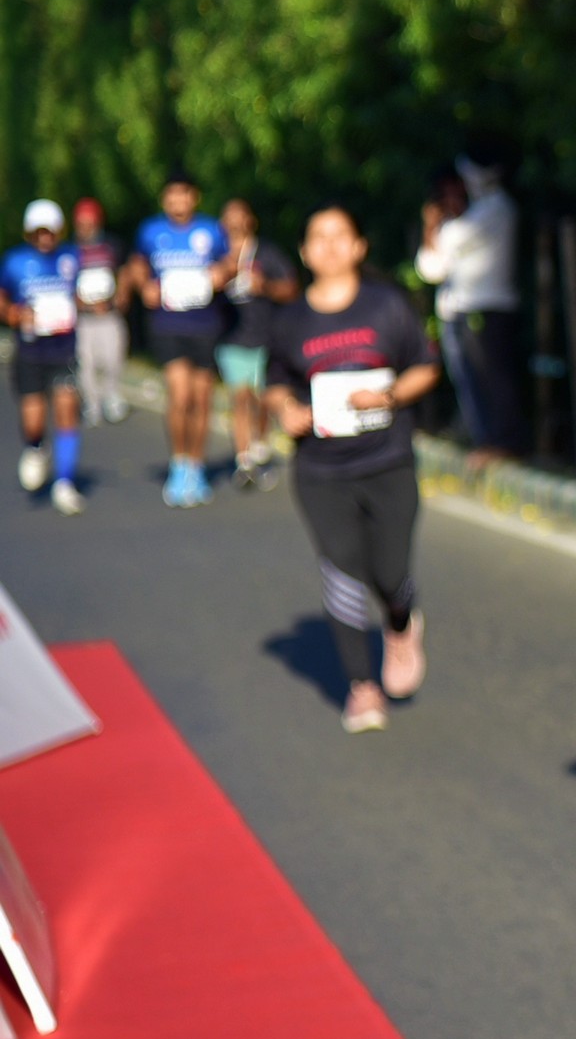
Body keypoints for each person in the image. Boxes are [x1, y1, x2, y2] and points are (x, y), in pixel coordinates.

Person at [265, 204, 440, 734]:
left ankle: (401, 624)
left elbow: (426, 367)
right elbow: (275, 383)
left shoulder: (387, 306)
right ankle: (362, 686)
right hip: (322, 471)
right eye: (318, 236)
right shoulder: (290, 320)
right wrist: (286, 410)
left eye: (340, 235)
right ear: (304, 252)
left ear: (360, 246)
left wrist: (387, 396)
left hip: (387, 462)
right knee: (341, 568)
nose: (330, 244)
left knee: (390, 572)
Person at [129, 172, 230, 507]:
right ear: (164, 199)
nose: (178, 200)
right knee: (179, 394)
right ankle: (179, 463)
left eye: (183, 193)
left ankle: (196, 467)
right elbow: (137, 264)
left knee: (201, 399)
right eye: (171, 194)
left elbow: (230, 264)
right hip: (168, 324)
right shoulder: (151, 231)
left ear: (194, 197)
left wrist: (221, 274)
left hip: (204, 324)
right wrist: (144, 285)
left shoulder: (211, 230)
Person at [417, 152, 525, 463]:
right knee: (470, 381)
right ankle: (486, 440)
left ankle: (504, 443)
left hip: (488, 309)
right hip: (459, 311)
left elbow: (448, 244)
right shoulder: (474, 212)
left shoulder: (496, 207)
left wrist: (436, 225)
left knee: (493, 378)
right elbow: (430, 269)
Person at [4, 201, 87, 515]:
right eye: (39, 231)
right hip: (30, 350)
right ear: (30, 233)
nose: (45, 237)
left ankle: (64, 482)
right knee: (34, 418)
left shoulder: (71, 258)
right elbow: (3, 297)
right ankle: (36, 447)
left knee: (67, 408)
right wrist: (12, 313)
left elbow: (83, 293)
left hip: (63, 349)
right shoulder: (15, 262)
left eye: (50, 231)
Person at [216, 198, 300, 490]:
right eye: (228, 216)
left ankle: (261, 444)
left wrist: (264, 286)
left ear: (251, 221)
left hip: (267, 338)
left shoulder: (267, 254)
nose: (234, 221)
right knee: (241, 397)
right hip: (231, 339)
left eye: (240, 215)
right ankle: (244, 462)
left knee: (262, 399)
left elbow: (291, 288)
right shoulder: (215, 255)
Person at [70, 199, 129, 425]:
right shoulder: (70, 250)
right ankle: (91, 403)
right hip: (84, 317)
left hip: (109, 313)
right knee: (86, 362)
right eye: (81, 224)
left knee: (113, 358)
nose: (86, 228)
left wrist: (120, 296)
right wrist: (79, 303)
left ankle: (111, 396)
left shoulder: (112, 246)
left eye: (90, 223)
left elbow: (123, 272)